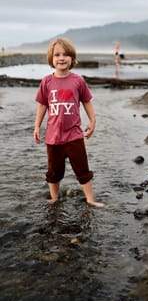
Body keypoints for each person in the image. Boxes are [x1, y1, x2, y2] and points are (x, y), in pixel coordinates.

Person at [33, 37, 105, 207]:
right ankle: (55, 198)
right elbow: (43, 104)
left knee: (82, 170)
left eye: (66, 54)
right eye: (57, 54)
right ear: (51, 59)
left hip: (74, 135)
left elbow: (87, 101)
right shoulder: (47, 81)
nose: (61, 58)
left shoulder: (78, 80)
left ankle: (90, 200)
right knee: (54, 172)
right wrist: (37, 126)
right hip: (53, 137)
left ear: (72, 58)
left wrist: (93, 120)